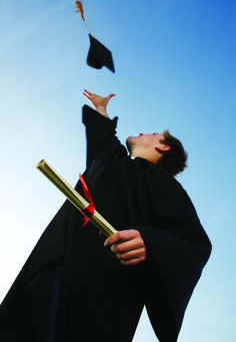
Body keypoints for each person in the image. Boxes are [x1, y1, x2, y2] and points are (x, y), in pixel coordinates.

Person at [0, 90, 212, 342]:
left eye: (154, 133)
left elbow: (192, 243)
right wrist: (100, 107)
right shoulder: (109, 159)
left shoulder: (166, 186)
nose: (144, 132)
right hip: (47, 266)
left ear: (162, 146)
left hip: (101, 290)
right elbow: (103, 134)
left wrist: (150, 243)